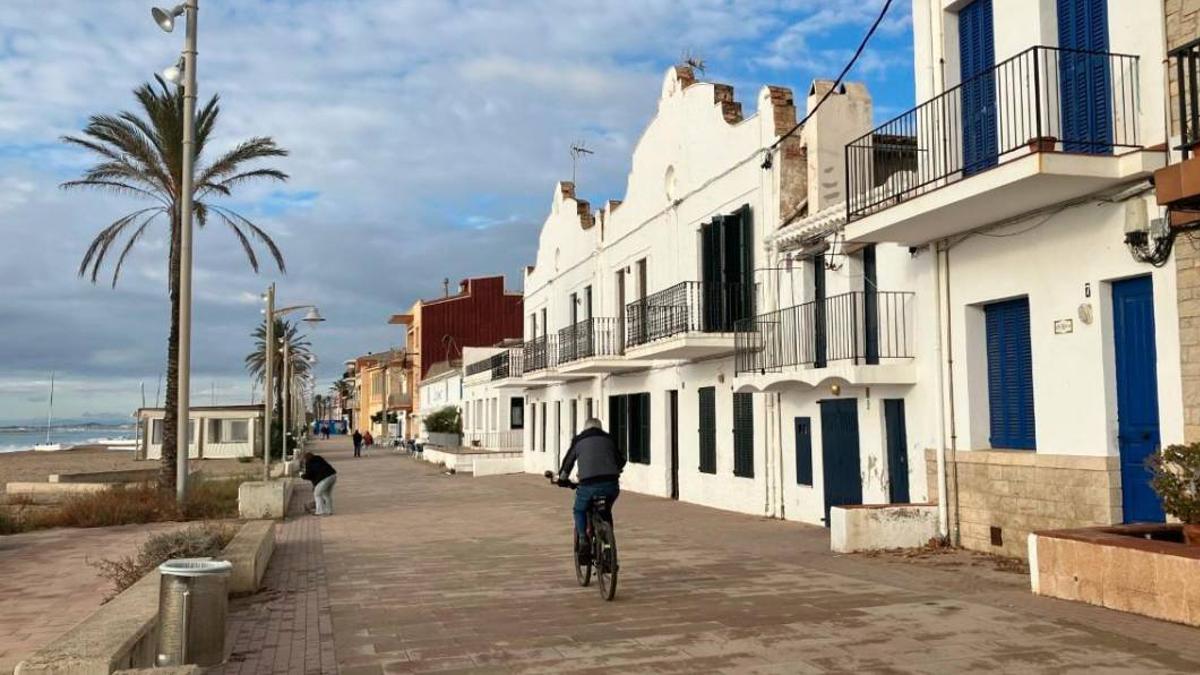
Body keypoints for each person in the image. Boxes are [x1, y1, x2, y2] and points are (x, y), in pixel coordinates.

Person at [557, 418, 625, 561]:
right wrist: (616, 469)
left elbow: (568, 463)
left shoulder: (579, 440)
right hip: (611, 485)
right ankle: (608, 546)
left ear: (585, 428)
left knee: (579, 510)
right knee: (606, 511)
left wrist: (562, 479)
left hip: (588, 485)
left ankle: (583, 539)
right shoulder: (609, 438)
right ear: (600, 428)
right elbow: (621, 461)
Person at [300, 451, 338, 516]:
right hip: (333, 476)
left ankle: (320, 511)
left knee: (317, 494)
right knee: (326, 494)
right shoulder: (318, 458)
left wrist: (302, 476)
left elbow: (310, 475)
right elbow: (316, 473)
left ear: (305, 458)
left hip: (325, 478)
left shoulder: (308, 463)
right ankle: (329, 511)